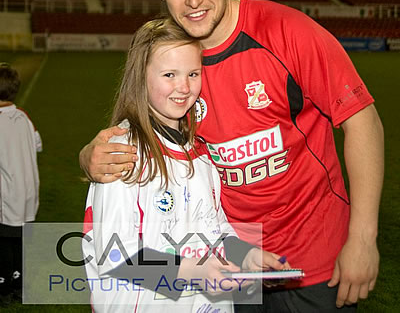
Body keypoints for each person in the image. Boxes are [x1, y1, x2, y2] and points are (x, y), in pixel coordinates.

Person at [80, 0, 384, 312]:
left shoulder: (288, 32)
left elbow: (362, 120)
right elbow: (144, 129)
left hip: (311, 259)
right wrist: (89, 157)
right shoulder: (174, 60)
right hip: (226, 268)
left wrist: (362, 238)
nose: (192, 0)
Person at [82, 17, 288, 312]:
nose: (184, 87)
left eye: (193, 73)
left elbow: (213, 226)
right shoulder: (121, 153)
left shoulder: (202, 154)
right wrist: (195, 272)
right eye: (169, 74)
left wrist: (245, 255)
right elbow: (116, 256)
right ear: (141, 76)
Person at [0, 63, 42, 302]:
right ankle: (19, 284)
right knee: (19, 242)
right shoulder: (24, 117)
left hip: (7, 195)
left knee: (3, 243)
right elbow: (37, 144)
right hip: (28, 195)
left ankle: (4, 287)